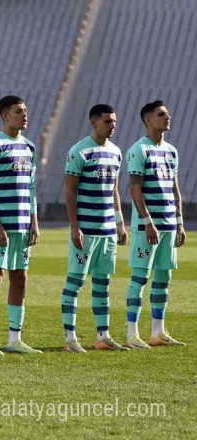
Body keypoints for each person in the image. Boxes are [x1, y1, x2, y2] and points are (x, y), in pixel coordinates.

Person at [59, 104, 129, 353]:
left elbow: (114, 190)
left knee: (103, 283)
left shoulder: (116, 152)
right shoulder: (80, 151)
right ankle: (70, 338)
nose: (112, 126)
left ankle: (103, 336)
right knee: (75, 282)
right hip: (86, 230)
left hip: (107, 229)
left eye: (114, 121)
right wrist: (74, 226)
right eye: (108, 122)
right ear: (94, 122)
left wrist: (120, 223)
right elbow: (70, 191)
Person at [0, 95, 41, 356]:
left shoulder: (29, 147)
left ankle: (15, 339)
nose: (24, 115)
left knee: (20, 278)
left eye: (25, 110)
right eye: (18, 111)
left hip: (23, 225)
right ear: (5, 116)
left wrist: (34, 222)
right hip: (1, 226)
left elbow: (31, 188)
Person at [124, 100, 186, 349]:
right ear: (148, 120)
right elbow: (135, 189)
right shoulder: (139, 150)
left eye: (167, 114)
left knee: (163, 278)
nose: (167, 118)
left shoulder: (171, 151)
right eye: (162, 114)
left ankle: (158, 332)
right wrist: (148, 221)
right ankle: (132, 334)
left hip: (169, 224)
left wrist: (179, 221)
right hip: (148, 227)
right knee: (140, 277)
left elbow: (174, 189)